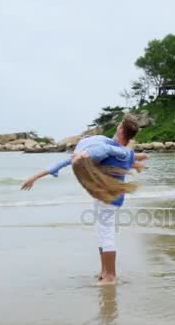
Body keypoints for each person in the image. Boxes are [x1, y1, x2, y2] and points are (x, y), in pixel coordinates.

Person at [21, 115, 148, 285]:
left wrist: (84, 155)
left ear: (121, 129)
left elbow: (101, 153)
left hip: (110, 197)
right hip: (103, 195)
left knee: (106, 233)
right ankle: (104, 271)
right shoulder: (119, 150)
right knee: (101, 233)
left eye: (118, 124)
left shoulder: (116, 150)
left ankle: (110, 276)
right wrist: (139, 160)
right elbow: (125, 157)